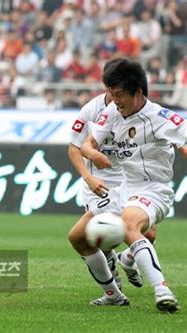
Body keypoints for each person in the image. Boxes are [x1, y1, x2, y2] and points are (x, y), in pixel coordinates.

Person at [72, 58, 185, 313]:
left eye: (119, 94)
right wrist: (93, 154)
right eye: (111, 94)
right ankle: (113, 294)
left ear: (138, 92)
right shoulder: (112, 111)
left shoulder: (160, 117)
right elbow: (87, 144)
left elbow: (184, 141)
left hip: (154, 189)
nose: (114, 100)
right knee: (78, 237)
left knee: (129, 224)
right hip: (124, 189)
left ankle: (162, 290)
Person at [68, 59, 157, 292]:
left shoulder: (138, 107)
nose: (114, 94)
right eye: (111, 88)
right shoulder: (91, 110)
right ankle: (113, 289)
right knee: (102, 238)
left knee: (149, 233)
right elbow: (73, 149)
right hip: (99, 184)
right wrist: (89, 177)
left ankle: (127, 260)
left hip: (129, 180)